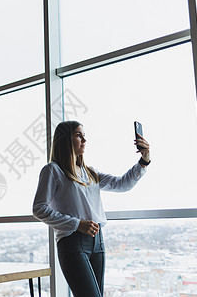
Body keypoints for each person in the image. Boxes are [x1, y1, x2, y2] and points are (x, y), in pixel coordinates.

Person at [32, 120, 150, 297]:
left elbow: (122, 184)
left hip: (97, 242)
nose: (84, 140)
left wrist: (144, 160)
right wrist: (77, 223)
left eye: (84, 135)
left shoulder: (90, 172)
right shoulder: (52, 170)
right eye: (79, 135)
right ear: (65, 140)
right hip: (72, 242)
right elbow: (39, 208)